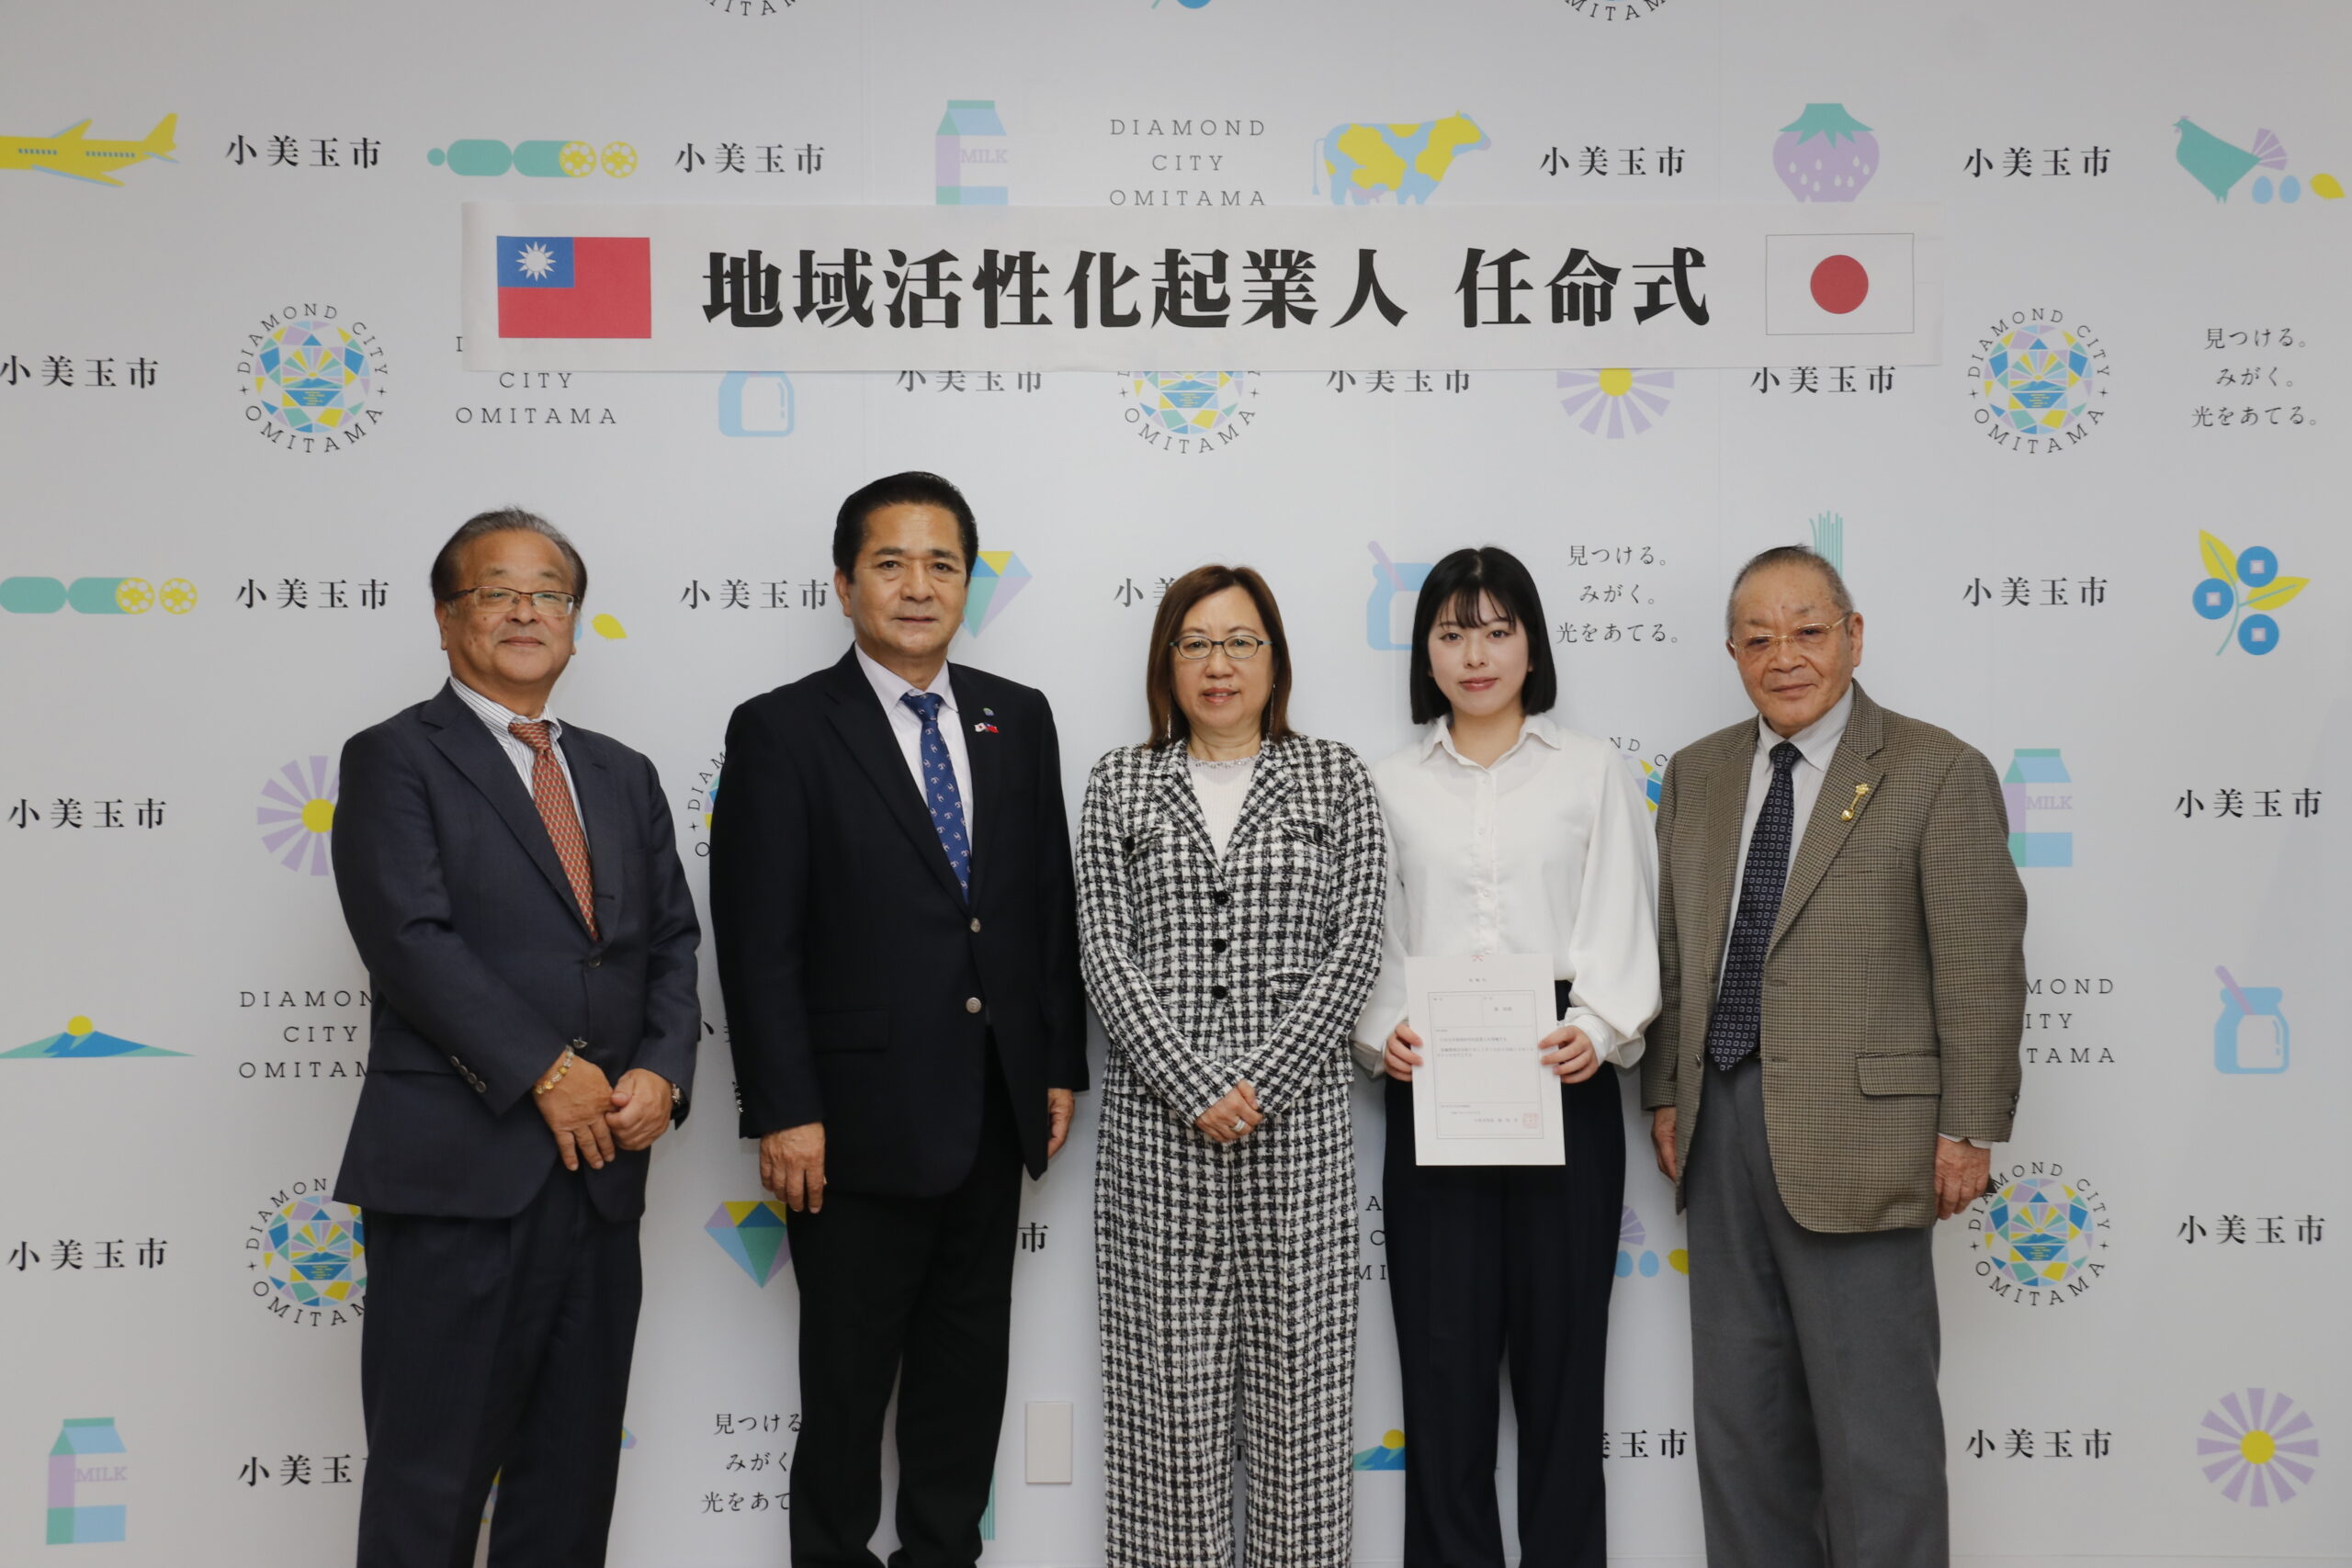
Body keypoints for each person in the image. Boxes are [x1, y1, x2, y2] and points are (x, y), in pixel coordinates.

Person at [708, 471, 1085, 1568]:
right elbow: (757, 939)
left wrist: (1054, 1063)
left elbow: (1043, 901)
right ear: (844, 585)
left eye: (942, 565)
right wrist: (785, 1108)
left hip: (992, 1109)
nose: (918, 587)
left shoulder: (1018, 715)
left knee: (963, 1394)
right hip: (849, 1130)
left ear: (968, 584)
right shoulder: (782, 729)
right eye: (891, 563)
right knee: (843, 1399)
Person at [330, 508, 701, 1568]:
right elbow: (409, 939)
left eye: (549, 594)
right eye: (497, 592)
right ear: (447, 618)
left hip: (602, 1175)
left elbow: (670, 943)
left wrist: (660, 1074)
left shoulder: (623, 773)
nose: (527, 612)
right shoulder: (395, 757)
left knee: (569, 1483)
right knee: (431, 1480)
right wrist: (545, 1071)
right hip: (459, 1178)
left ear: (576, 624)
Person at [1643, 545, 2026, 1568]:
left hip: (1867, 1140)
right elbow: (1678, 949)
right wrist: (1666, 1094)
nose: (1785, 656)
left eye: (1808, 631)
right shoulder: (1696, 774)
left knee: (1876, 1439)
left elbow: (1981, 965)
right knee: (1741, 1429)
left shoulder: (1936, 769)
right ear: (1731, 653)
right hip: (1719, 1130)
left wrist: (1967, 1128)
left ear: (1853, 637)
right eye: (1758, 638)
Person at [1076, 564, 1387, 1568]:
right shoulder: (1120, 783)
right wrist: (1195, 1087)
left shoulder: (1333, 776)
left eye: (1242, 642)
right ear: (1167, 662)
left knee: (1305, 1411)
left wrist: (1262, 1082)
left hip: (1298, 1143)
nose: (1220, 664)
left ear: (1275, 660)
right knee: (1165, 1415)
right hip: (1156, 1145)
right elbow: (1103, 951)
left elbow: (1356, 944)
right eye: (1197, 643)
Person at [1354, 547, 1658, 1568]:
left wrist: (1601, 1027)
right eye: (1452, 634)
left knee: (1565, 1375)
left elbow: (1622, 910)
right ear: (1424, 654)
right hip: (1433, 1077)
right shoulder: (1387, 783)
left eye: (1496, 630)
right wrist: (1382, 1030)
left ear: (1532, 645)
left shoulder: (1590, 768)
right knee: (1442, 1378)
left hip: (1561, 1070)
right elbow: (1373, 934)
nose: (1475, 655)